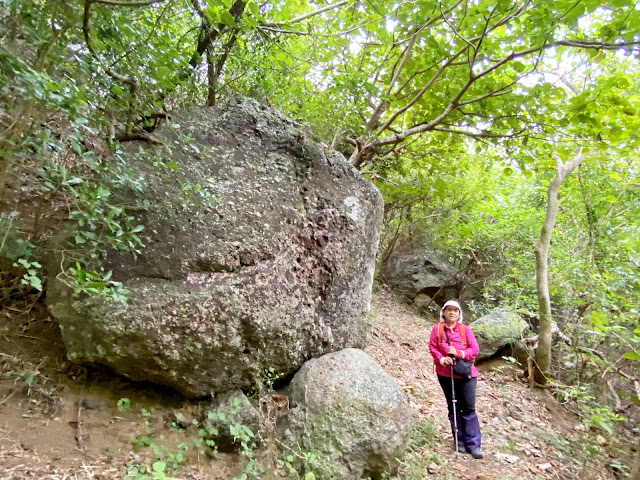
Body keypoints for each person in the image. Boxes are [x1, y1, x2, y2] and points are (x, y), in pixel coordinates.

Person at [428, 299, 483, 459]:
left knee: (468, 408)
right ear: (443, 312)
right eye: (449, 310)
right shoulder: (437, 329)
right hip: (445, 374)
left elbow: (475, 349)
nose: (452, 312)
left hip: (467, 374)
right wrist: (441, 359)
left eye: (455, 310)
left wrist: (460, 353)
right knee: (453, 406)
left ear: (459, 314)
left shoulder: (465, 330)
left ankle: (474, 444)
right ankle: (459, 441)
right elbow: (432, 347)